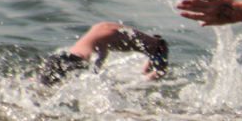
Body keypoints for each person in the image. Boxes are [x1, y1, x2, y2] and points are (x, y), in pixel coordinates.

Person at [39, 23, 168, 86]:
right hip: (75, 62)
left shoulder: (105, 28)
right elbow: (156, 72)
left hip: (58, 59)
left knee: (43, 89)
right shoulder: (156, 46)